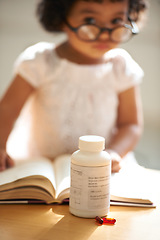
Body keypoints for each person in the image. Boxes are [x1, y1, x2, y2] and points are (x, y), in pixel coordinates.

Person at [0, 0, 147, 172]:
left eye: (116, 21)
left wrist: (115, 152)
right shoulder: (40, 62)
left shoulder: (121, 68)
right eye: (90, 21)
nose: (105, 33)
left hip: (100, 167)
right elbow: (7, 110)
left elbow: (130, 124)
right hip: (40, 163)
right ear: (61, 18)